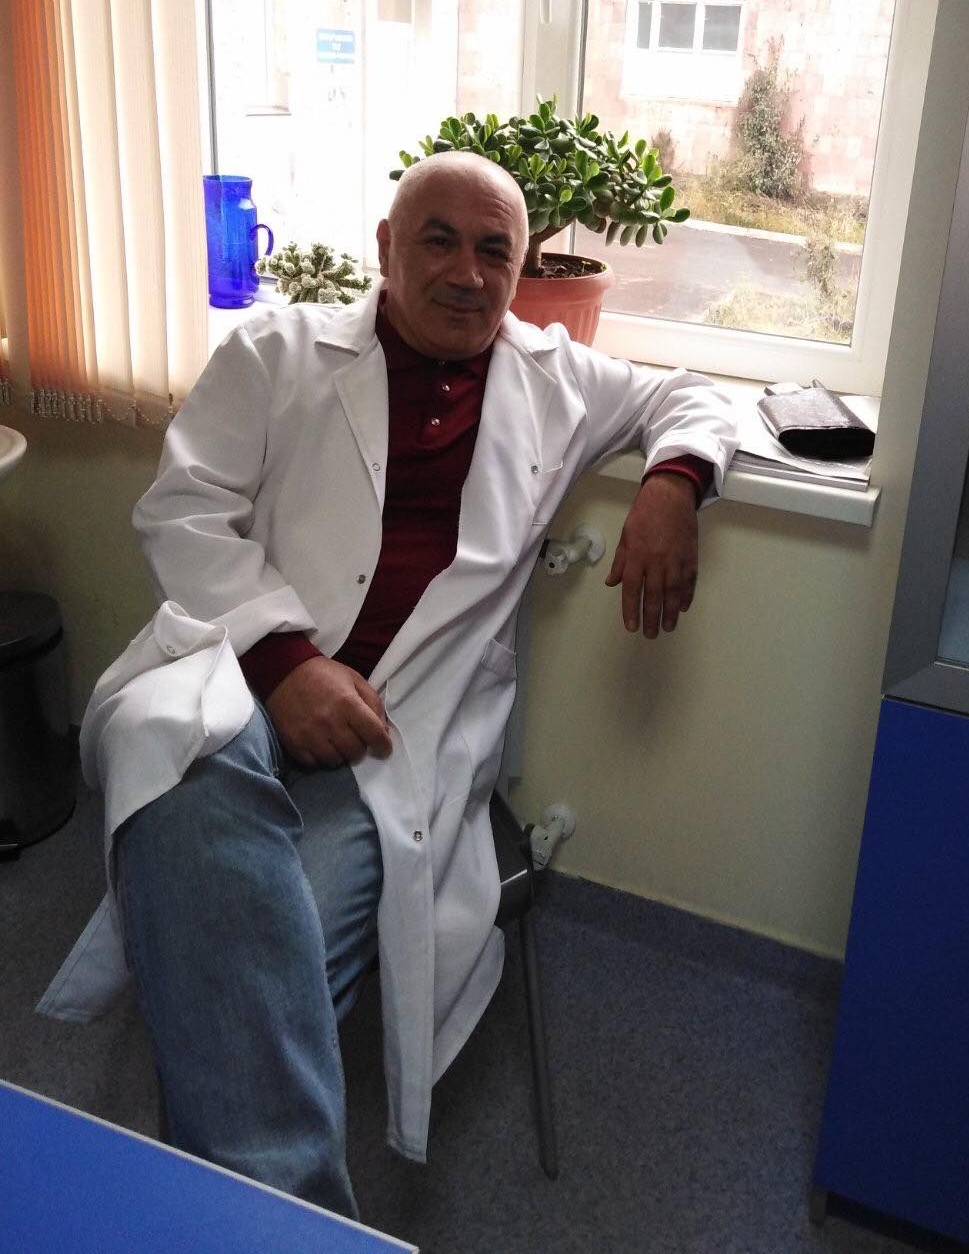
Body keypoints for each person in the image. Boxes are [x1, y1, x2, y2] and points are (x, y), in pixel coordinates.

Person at [39, 152, 738, 1218]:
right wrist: (286, 664)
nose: (468, 273)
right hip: (234, 675)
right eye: (438, 240)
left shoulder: (556, 378)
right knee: (180, 781)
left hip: (393, 737)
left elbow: (693, 395)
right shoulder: (277, 349)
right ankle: (279, 1223)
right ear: (384, 249)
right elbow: (180, 510)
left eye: (495, 250)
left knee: (271, 948)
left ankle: (206, 1212)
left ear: (522, 268)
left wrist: (673, 484)